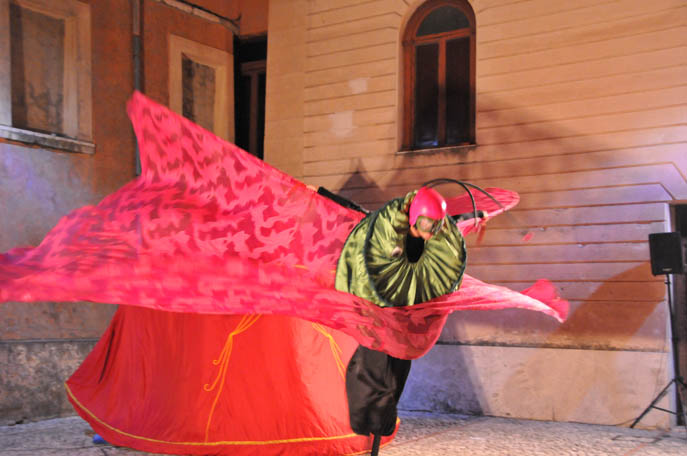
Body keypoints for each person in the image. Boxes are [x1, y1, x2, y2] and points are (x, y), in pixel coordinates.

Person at [332, 186, 466, 455]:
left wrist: (476, 217)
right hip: (379, 317)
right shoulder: (388, 231)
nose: (430, 231)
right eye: (426, 224)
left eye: (435, 226)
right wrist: (322, 191)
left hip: (405, 323)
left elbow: (454, 224)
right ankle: (368, 425)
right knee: (373, 372)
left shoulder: (432, 244)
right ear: (414, 218)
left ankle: (379, 429)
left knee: (396, 376)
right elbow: (354, 210)